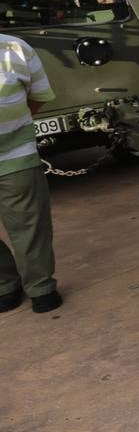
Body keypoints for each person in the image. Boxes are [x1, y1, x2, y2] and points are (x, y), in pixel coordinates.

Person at [0, 32, 60, 314]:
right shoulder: (13, 47)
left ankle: (31, 289)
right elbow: (37, 97)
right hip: (16, 151)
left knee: (29, 223)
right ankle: (20, 287)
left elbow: (37, 97)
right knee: (30, 225)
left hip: (16, 154)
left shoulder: (15, 47)